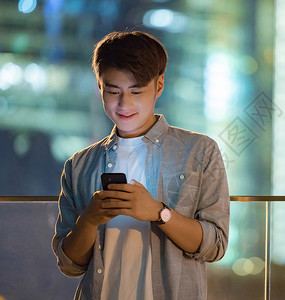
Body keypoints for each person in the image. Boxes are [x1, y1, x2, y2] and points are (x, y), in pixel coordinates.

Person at [52, 30, 230, 300]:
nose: (124, 103)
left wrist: (159, 213)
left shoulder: (200, 151)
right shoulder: (79, 165)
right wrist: (89, 220)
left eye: (136, 91)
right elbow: (69, 265)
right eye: (113, 91)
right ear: (99, 86)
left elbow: (215, 245)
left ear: (159, 85)